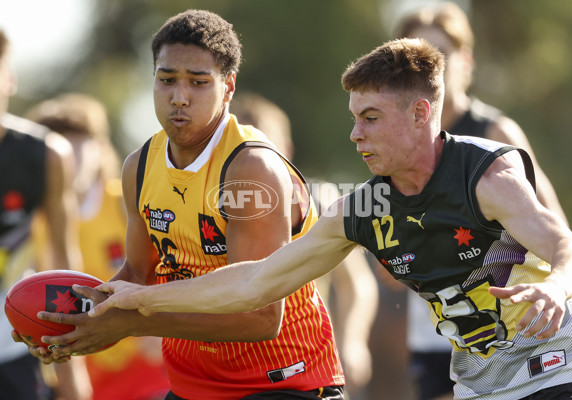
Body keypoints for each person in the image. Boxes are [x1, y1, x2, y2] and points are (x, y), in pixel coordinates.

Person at [88, 38, 572, 400]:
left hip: (556, 376)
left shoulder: (484, 173)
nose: (355, 135)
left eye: (371, 118)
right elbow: (255, 282)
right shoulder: (364, 208)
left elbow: (568, 250)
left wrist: (556, 286)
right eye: (354, 118)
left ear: (421, 114)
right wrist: (141, 300)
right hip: (477, 386)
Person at [28, 10, 345, 400]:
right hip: (189, 385)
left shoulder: (251, 167)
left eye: (198, 82)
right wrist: (73, 324)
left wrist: (132, 325)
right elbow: (138, 274)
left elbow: (261, 316)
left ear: (228, 87)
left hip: (284, 382)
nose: (179, 96)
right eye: (167, 80)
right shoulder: (139, 166)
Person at [393, 3, 570, 399]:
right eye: (414, 59)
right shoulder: (394, 147)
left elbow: (557, 231)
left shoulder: (494, 131)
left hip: (507, 334)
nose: (427, 70)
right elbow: (391, 264)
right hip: (437, 339)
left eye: (439, 55)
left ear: (466, 61)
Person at [230, 92, 378, 398]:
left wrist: (353, 340)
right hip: (229, 371)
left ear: (288, 148)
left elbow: (358, 284)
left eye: (268, 148)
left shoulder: (320, 198)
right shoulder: (215, 205)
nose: (258, 162)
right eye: (245, 151)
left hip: (306, 369)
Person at [25, 93, 170, 400]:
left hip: (143, 365)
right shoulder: (29, 220)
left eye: (79, 142)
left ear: (101, 149)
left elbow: (175, 265)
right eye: (58, 143)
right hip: (76, 369)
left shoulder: (128, 201)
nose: (69, 155)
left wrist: (162, 325)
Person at [0, 29, 91, 400]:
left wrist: (73, 371)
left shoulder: (48, 154)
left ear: (10, 77)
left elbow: (63, 258)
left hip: (12, 347)